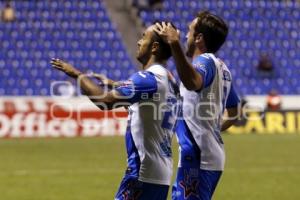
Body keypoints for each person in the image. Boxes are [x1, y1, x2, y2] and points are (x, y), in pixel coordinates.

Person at [51, 22, 179, 200]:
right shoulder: (170, 80)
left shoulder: (148, 79)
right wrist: (113, 83)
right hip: (161, 174)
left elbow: (104, 101)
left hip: (142, 173)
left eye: (144, 37)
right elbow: (149, 103)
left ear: (155, 47)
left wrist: (77, 75)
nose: (138, 42)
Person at [154, 11, 240, 200]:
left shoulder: (205, 62)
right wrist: (213, 129)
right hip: (206, 155)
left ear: (199, 38)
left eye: (189, 31)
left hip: (200, 158)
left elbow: (194, 83)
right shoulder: (222, 68)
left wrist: (174, 44)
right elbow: (234, 112)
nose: (185, 36)